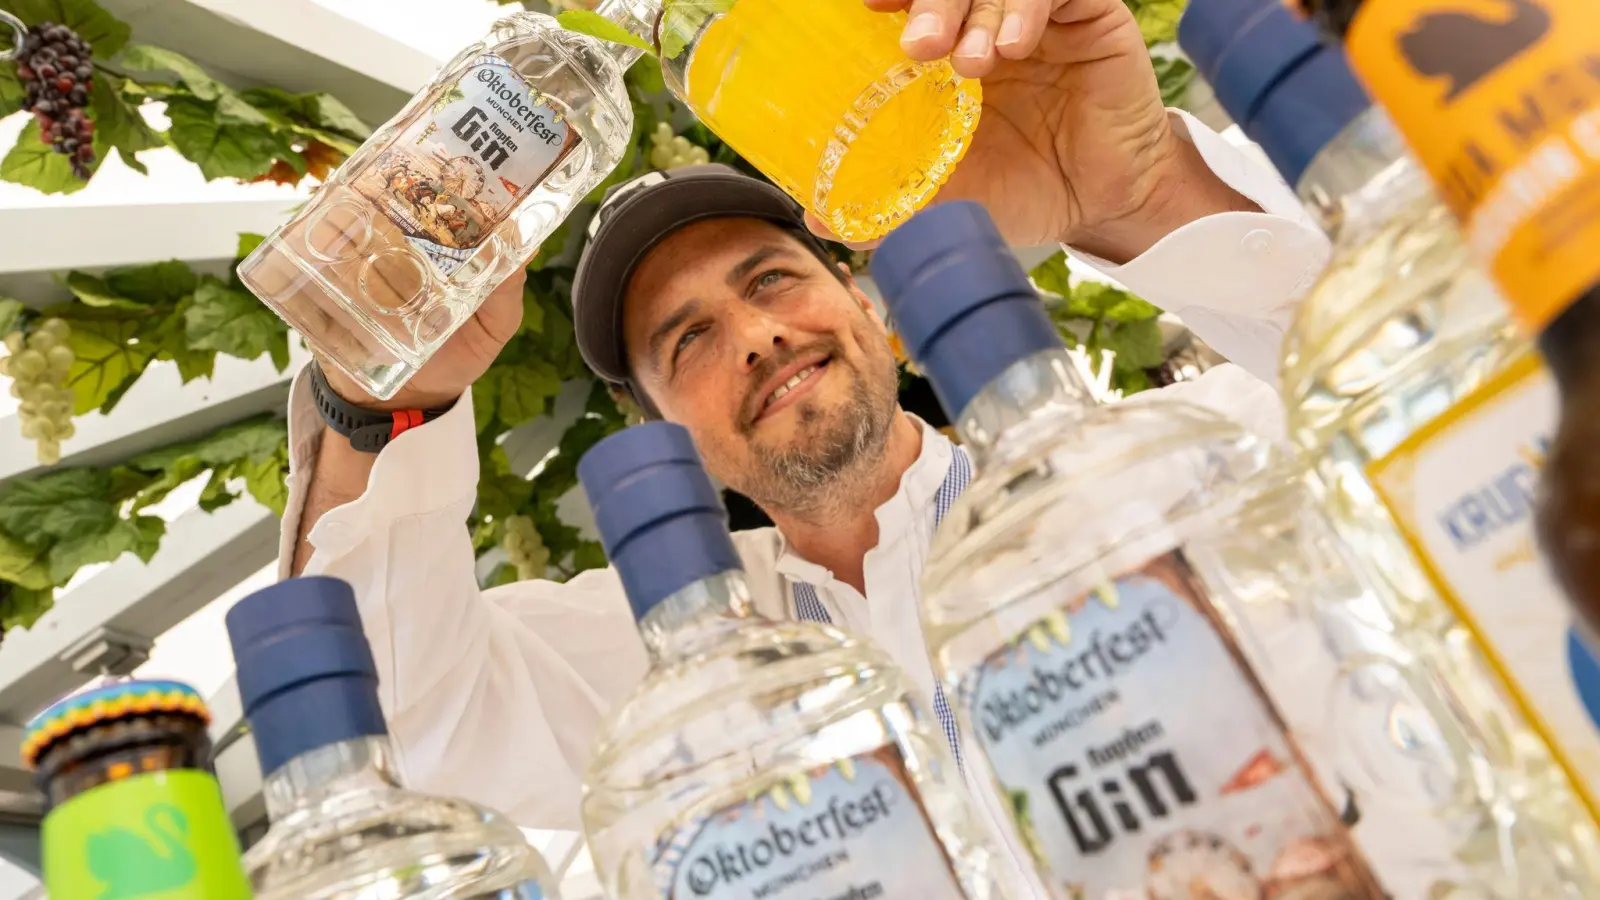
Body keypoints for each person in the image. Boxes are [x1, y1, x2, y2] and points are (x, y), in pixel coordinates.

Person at [279, 0, 1329, 838]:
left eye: (773, 280)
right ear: (656, 432)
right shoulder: (647, 677)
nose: (754, 337)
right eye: (686, 341)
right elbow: (402, 730)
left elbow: (1433, 351)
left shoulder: (1194, 466)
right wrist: (383, 400)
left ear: (876, 308)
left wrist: (1133, 192)